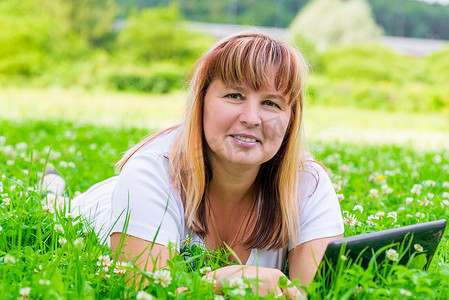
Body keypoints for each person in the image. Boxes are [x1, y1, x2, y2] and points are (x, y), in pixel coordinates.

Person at [45, 32, 344, 298]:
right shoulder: (151, 171)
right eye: (234, 95)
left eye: (271, 103)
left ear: (291, 118)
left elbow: (313, 292)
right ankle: (52, 187)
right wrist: (215, 283)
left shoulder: (309, 185)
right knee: (54, 205)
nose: (252, 117)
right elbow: (139, 289)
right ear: (200, 101)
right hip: (107, 205)